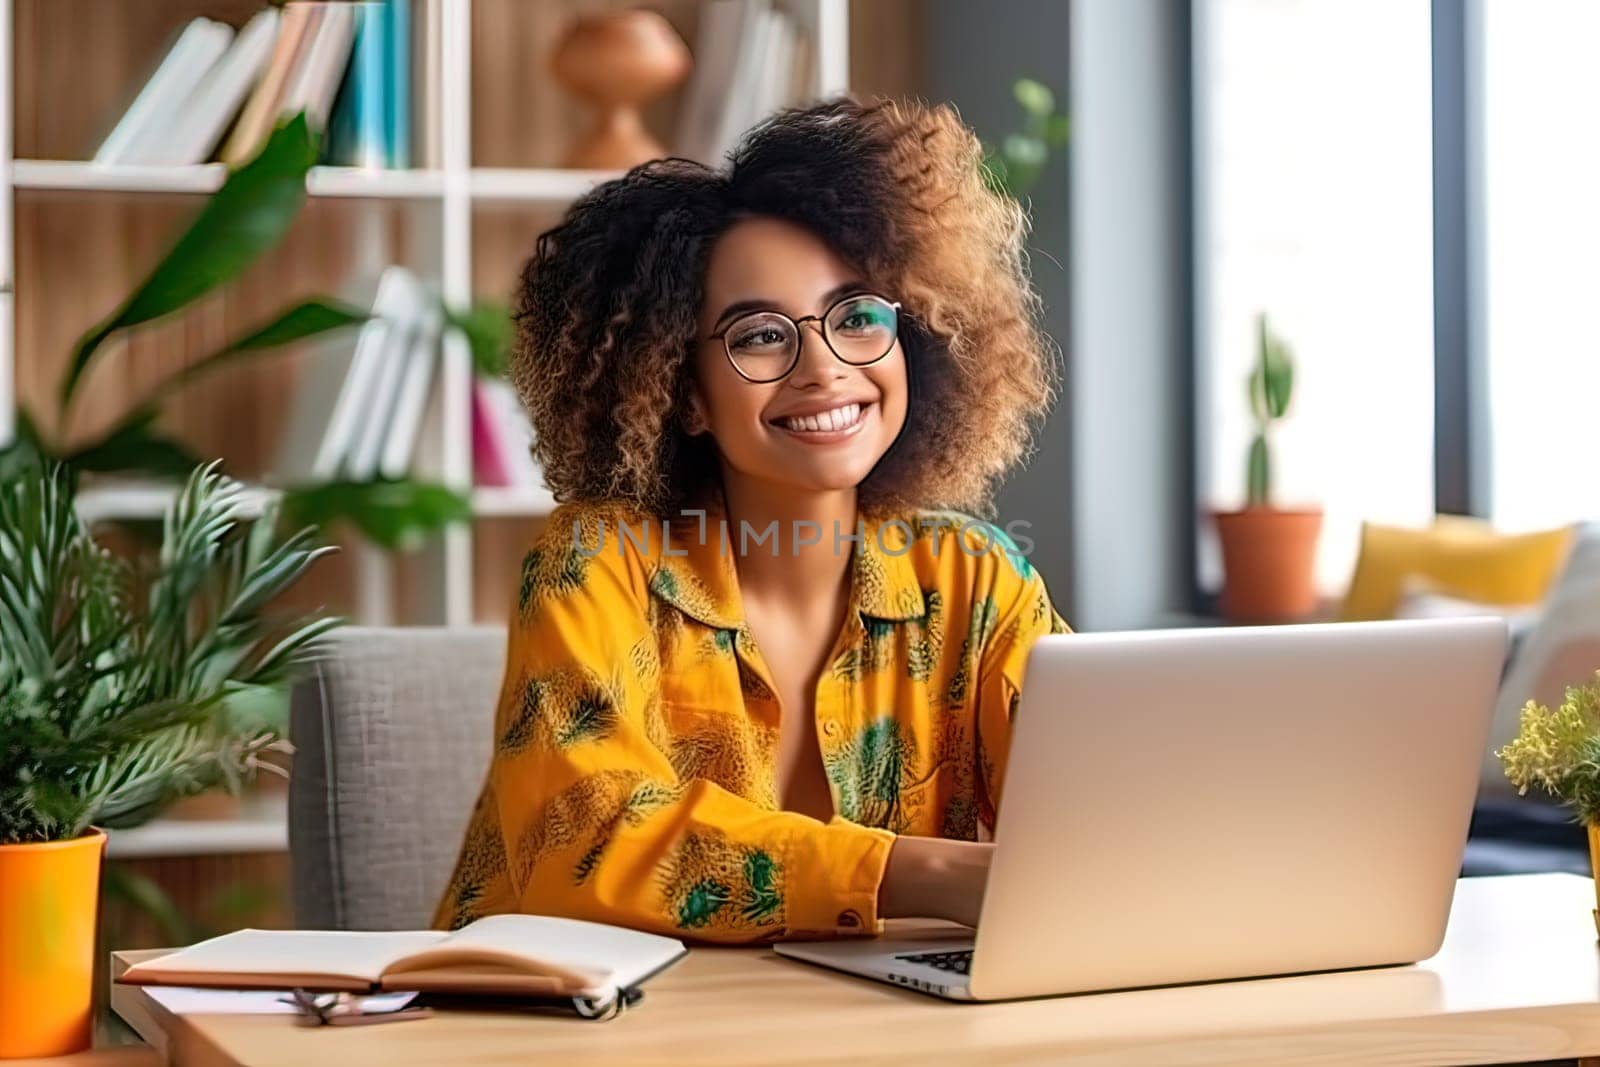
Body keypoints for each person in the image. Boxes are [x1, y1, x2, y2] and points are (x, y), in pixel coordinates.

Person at [433, 96, 1068, 943]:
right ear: (684, 391)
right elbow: (586, 843)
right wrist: (929, 873)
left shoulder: (976, 582)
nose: (825, 368)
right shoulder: (595, 564)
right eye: (761, 336)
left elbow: (1092, 810)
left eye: (857, 316)